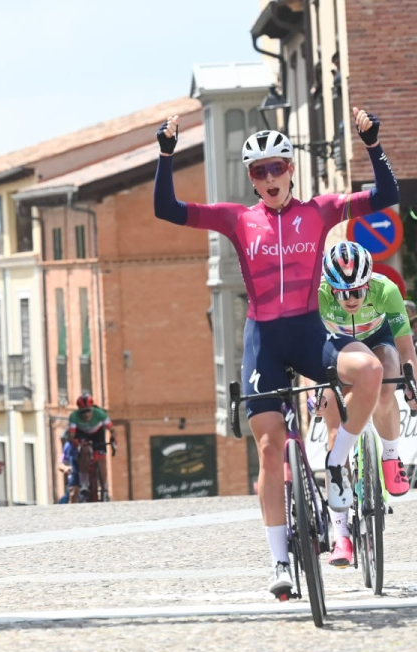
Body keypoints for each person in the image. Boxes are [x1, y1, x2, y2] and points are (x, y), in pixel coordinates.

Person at [154, 105, 399, 598]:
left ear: (291, 170)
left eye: (277, 168)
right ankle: (279, 561)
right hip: (262, 341)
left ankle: (338, 459)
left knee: (370, 370)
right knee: (269, 450)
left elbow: (388, 195)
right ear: (251, 178)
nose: (269, 177)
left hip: (311, 333)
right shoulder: (237, 219)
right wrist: (165, 154)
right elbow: (168, 209)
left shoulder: (322, 210)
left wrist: (372, 142)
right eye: (259, 171)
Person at [317, 242, 417, 567]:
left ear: (368, 283)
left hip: (377, 342)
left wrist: (413, 386)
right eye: (342, 292)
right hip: (334, 349)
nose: (350, 298)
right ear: (330, 288)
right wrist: (313, 390)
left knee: (387, 384)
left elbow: (406, 349)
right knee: (334, 417)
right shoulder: (317, 296)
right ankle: (341, 534)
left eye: (357, 291)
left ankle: (390, 456)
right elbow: (305, 351)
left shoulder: (385, 289)